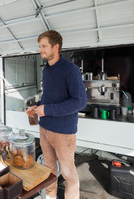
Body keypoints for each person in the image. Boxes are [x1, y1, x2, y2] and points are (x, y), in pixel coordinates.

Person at [26, 30, 87, 199]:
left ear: (56, 47)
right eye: (40, 46)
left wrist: (47, 110)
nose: (41, 50)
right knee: (49, 170)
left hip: (63, 132)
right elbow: (48, 98)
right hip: (44, 128)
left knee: (69, 174)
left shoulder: (71, 70)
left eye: (44, 46)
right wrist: (36, 107)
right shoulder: (46, 70)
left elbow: (80, 102)